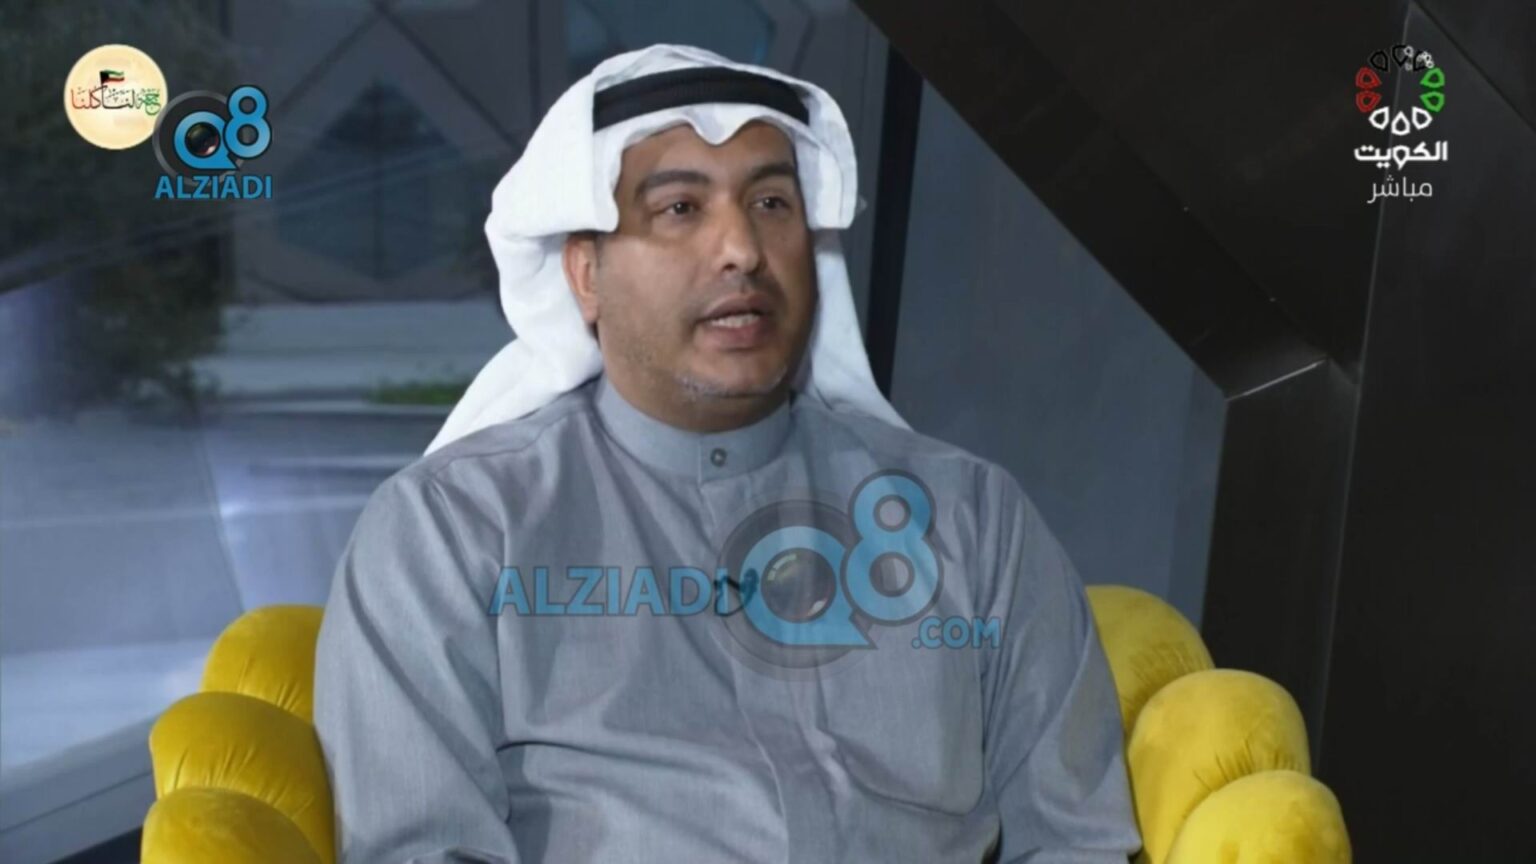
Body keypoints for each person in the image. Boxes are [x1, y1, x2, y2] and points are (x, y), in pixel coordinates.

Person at [314, 43, 1141, 864]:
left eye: (773, 203)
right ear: (586, 275)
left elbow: (1077, 841)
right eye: (680, 208)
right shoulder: (449, 530)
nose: (742, 247)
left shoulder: (975, 521)